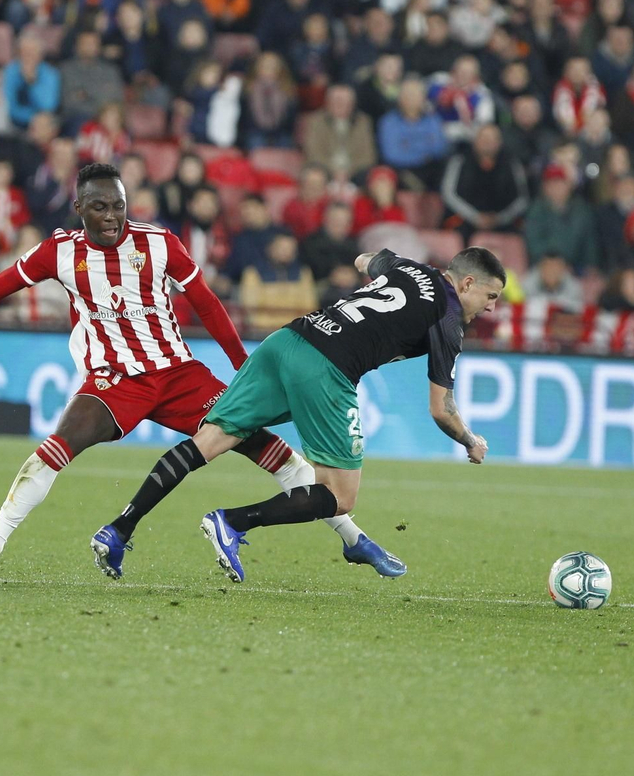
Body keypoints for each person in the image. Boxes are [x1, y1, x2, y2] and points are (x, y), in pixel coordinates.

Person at [0, 163, 378, 576]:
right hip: (114, 383)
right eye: (99, 206)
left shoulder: (161, 244)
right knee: (55, 447)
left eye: (118, 205)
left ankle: (352, 539)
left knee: (271, 450)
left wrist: (242, 369)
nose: (112, 216)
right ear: (79, 209)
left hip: (179, 374)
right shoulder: (60, 252)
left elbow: (208, 306)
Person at [94, 245, 504, 583]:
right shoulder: (448, 320)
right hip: (327, 368)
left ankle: (119, 528)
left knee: (212, 439)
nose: (490, 308)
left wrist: (378, 274)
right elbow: (441, 409)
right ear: (467, 283)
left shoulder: (408, 267)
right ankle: (233, 521)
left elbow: (365, 259)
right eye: (490, 296)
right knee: (341, 497)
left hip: (288, 340)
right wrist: (471, 440)